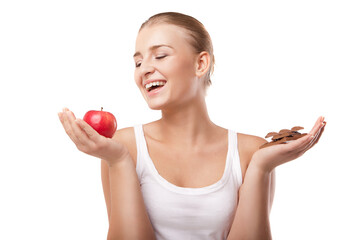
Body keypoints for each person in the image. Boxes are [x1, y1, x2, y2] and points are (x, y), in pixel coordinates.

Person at [58, 12, 326, 240]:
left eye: (160, 56)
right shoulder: (121, 146)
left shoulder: (251, 152)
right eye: (138, 62)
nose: (144, 69)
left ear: (201, 64)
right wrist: (118, 161)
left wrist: (261, 168)